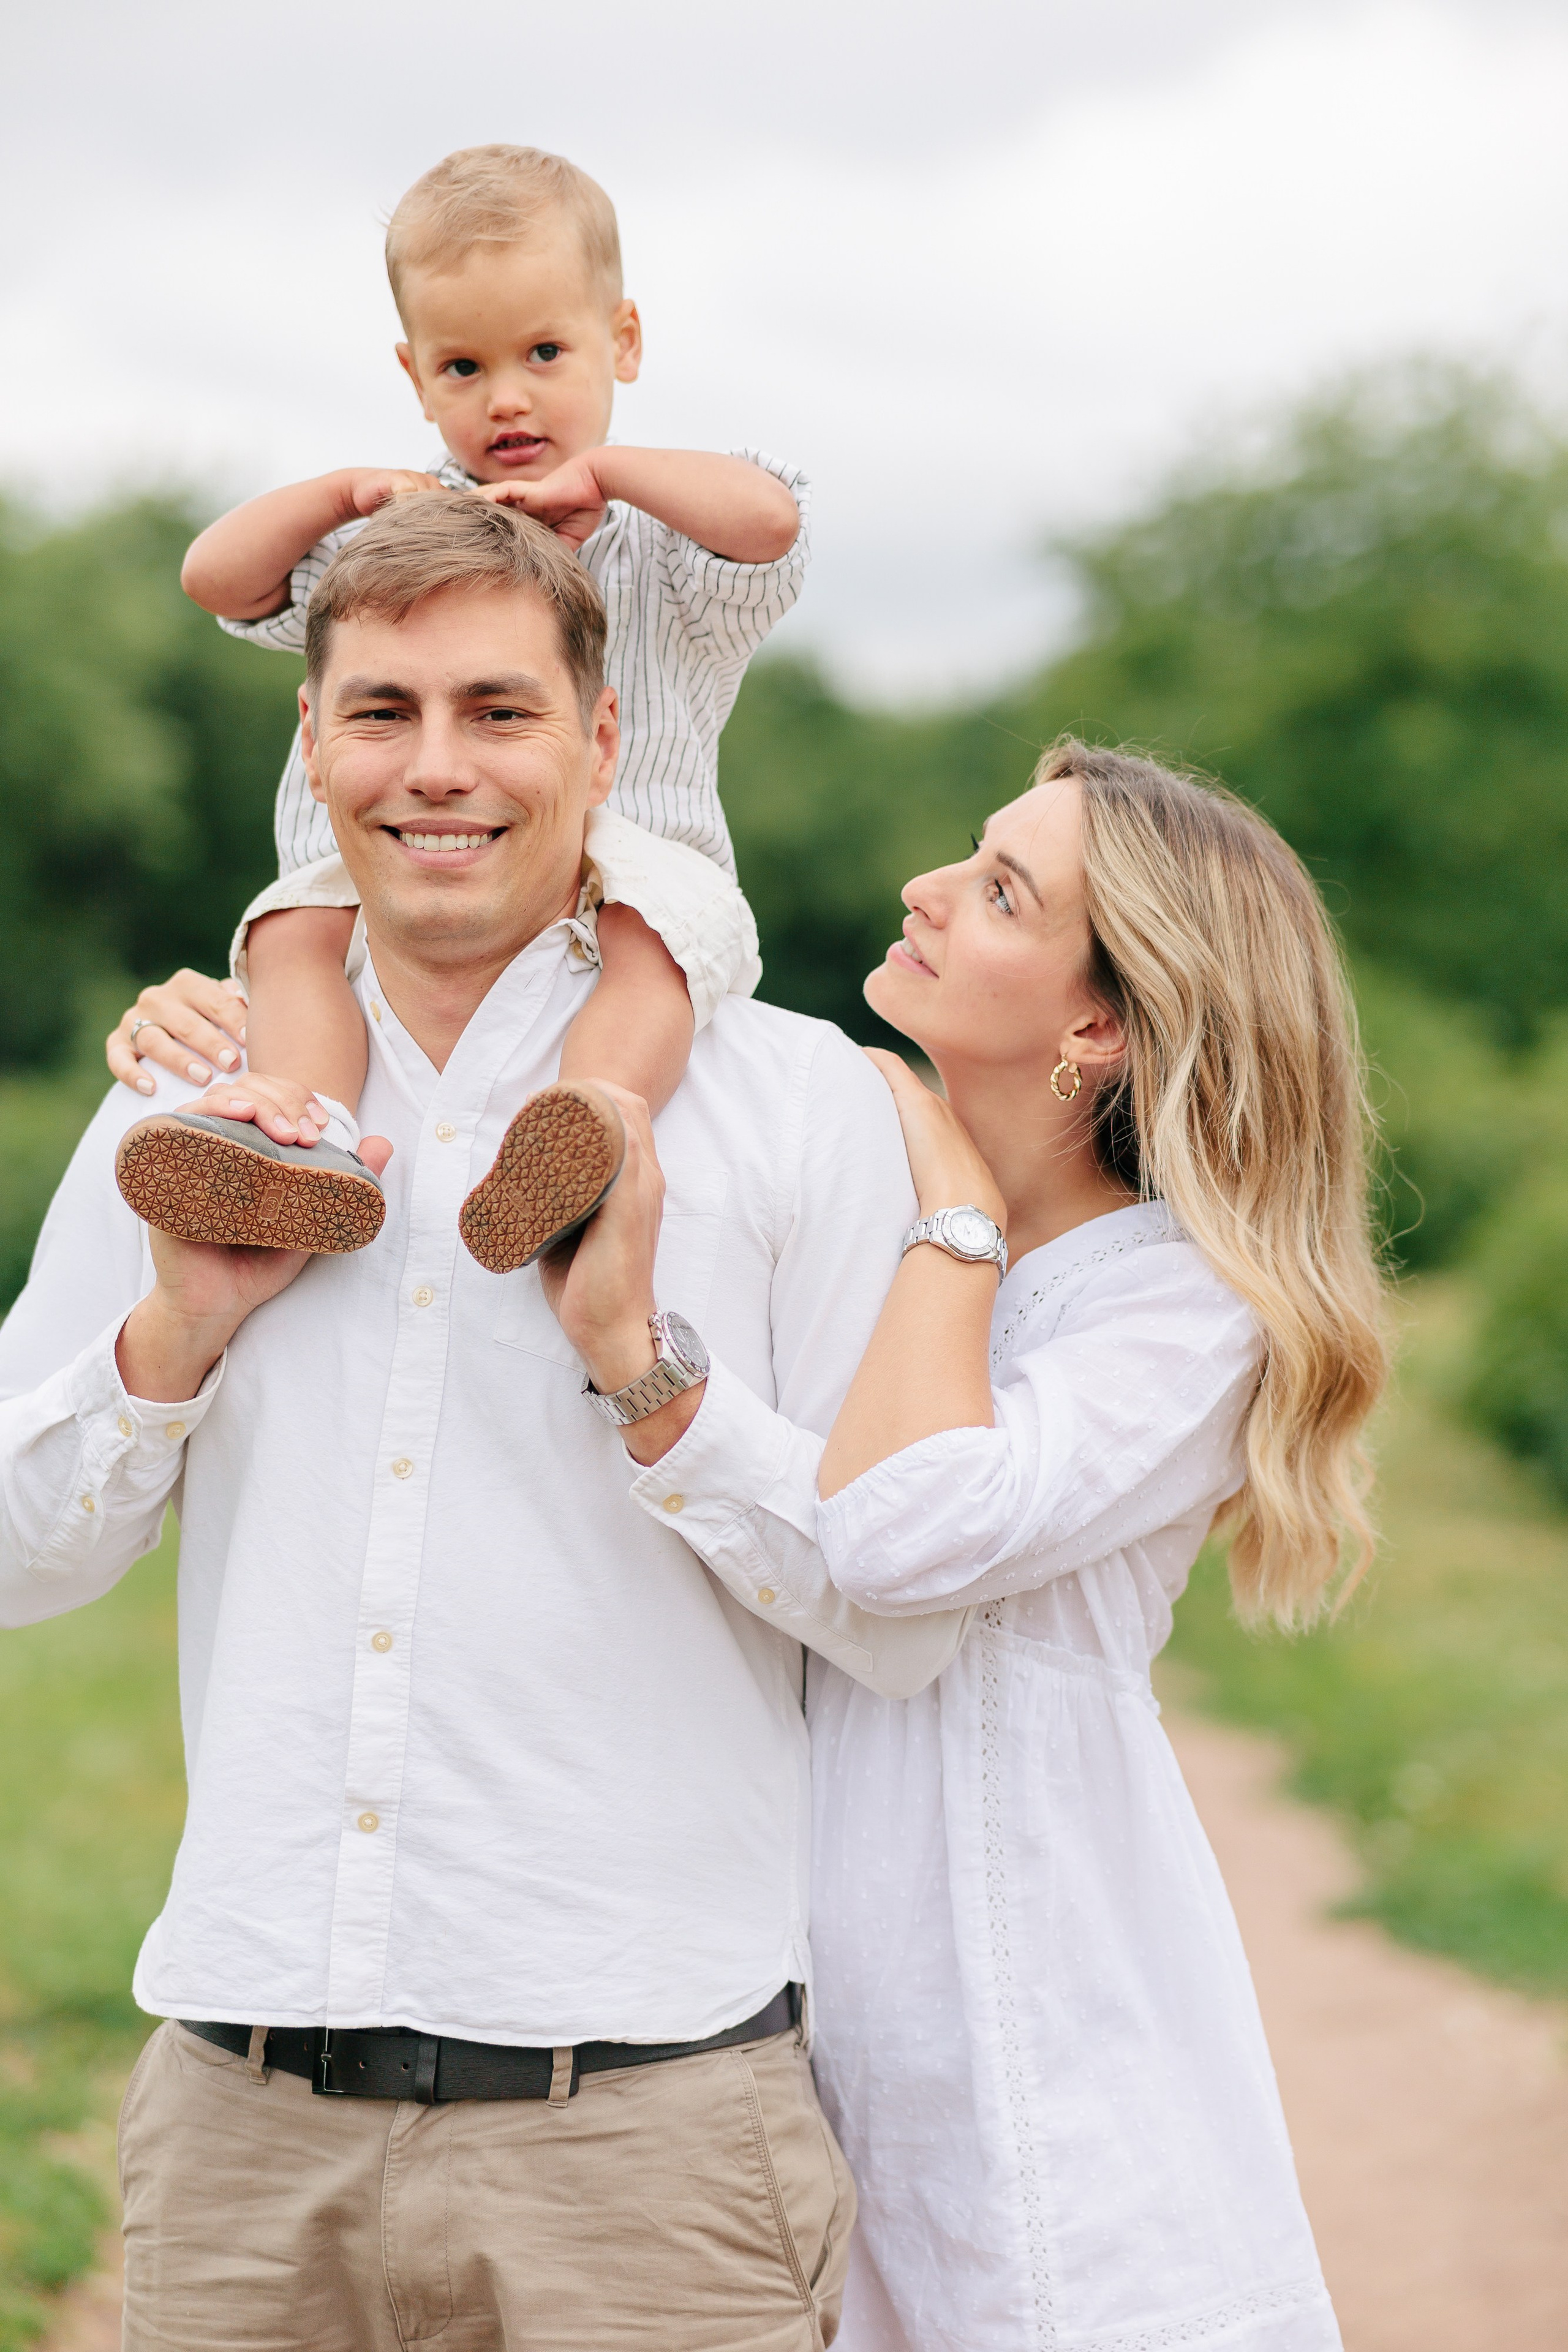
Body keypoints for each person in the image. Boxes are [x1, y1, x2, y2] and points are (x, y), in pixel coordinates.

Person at [0, 495, 970, 2350]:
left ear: (606, 743)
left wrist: (648, 1375)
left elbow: (905, 1612)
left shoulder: (783, 1109)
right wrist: (172, 1331)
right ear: (310, 743)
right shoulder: (188, 1110)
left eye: (499, 711)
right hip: (239, 2129)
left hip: (654, 2146)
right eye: (381, 712)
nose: (436, 769)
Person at [540, 741, 1389, 2350]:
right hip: (817, 2048)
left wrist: (953, 1209)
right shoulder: (847, 1190)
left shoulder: (1183, 1311)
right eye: (971, 856)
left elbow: (896, 1530)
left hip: (1057, 2045)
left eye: (1003, 891)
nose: (927, 888)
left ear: (1098, 1026)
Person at [110, 141, 805, 1268]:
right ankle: (296, 1134)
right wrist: (339, 495)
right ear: (414, 374)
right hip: (385, 864)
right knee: (289, 939)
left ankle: (588, 1123)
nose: (508, 397)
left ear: (623, 340)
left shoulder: (665, 538)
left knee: (650, 951)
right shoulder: (400, 531)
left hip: (634, 859)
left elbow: (768, 520)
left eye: (545, 351)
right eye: (463, 368)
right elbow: (215, 578)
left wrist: (609, 477)